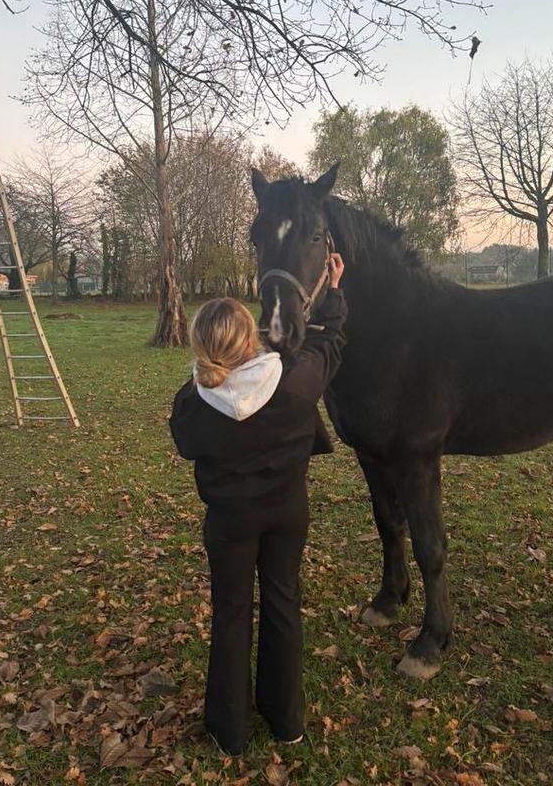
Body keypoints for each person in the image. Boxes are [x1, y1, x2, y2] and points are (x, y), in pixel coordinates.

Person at [169, 254, 347, 756]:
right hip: (288, 513)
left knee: (230, 615)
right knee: (283, 604)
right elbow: (329, 344)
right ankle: (286, 718)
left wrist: (203, 374)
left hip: (229, 522)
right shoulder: (294, 380)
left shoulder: (193, 402)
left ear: (202, 345)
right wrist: (332, 289)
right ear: (252, 337)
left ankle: (229, 732)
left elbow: (185, 440)